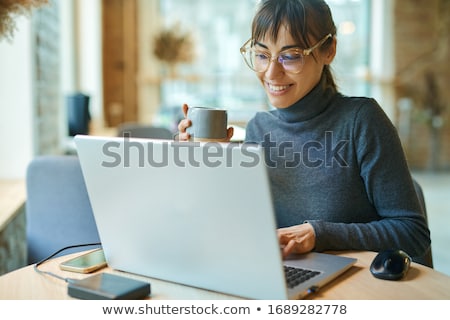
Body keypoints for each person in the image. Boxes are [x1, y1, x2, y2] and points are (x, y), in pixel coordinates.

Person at [177, 0, 431, 260]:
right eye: (262, 55)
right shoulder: (259, 128)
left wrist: (319, 234)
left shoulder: (362, 121)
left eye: (290, 56)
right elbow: (242, 227)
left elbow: (412, 233)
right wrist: (210, 167)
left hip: (352, 284)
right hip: (286, 278)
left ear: (328, 50)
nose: (271, 73)